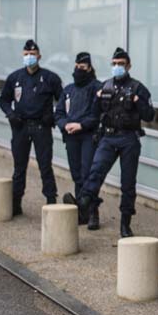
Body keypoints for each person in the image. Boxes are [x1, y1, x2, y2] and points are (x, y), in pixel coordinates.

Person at [66, 47, 154, 238]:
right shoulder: (104, 87)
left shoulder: (138, 88)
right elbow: (94, 113)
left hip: (129, 138)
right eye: (114, 64)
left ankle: (125, 223)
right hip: (108, 137)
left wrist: (138, 100)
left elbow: (149, 115)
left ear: (128, 65)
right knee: (95, 172)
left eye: (121, 64)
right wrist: (97, 101)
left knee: (127, 183)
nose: (117, 67)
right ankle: (83, 204)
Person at [0, 39, 62, 216]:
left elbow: (64, 101)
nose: (29, 57)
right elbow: (3, 99)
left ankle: (51, 201)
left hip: (42, 127)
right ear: (22, 55)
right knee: (19, 167)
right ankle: (16, 203)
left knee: (45, 166)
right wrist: (10, 114)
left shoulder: (50, 78)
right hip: (20, 127)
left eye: (32, 54)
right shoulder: (15, 78)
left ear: (39, 56)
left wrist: (54, 116)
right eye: (26, 54)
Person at [55, 52, 102, 229]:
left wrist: (81, 125)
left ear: (90, 68)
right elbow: (58, 113)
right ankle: (81, 212)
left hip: (88, 136)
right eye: (77, 67)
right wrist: (65, 124)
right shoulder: (68, 90)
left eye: (83, 67)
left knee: (88, 174)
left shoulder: (96, 88)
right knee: (76, 175)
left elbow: (96, 114)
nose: (79, 70)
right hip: (71, 137)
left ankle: (92, 213)